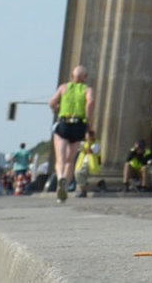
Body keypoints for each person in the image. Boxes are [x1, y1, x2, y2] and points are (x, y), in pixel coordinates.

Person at [48, 64, 91, 204]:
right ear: (85, 78)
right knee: (70, 160)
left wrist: (56, 108)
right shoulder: (87, 89)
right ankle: (64, 189)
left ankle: (60, 177)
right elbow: (90, 103)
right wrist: (89, 123)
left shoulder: (63, 87)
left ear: (72, 76)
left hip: (64, 123)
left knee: (60, 159)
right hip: (78, 124)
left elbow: (51, 102)